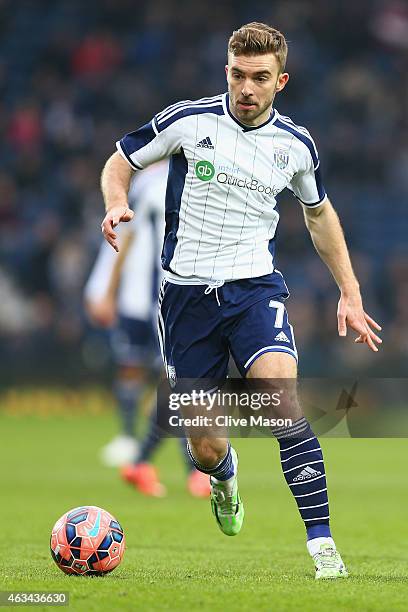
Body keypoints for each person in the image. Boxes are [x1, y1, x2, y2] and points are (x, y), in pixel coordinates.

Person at [100, 22, 382, 579]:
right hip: (185, 297)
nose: (246, 88)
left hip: (255, 289)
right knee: (204, 447)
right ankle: (224, 478)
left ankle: (323, 548)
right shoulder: (188, 120)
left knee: (281, 399)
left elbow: (319, 213)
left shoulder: (296, 146)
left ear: (281, 80)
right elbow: (121, 162)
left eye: (259, 77)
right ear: (225, 71)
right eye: (237, 74)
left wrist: (349, 291)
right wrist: (115, 203)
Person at [86, 161, 210, 497]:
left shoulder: (164, 179)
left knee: (174, 385)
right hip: (161, 300)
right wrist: (107, 291)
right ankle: (183, 469)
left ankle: (144, 462)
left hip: (157, 298)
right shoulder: (160, 182)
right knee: (178, 384)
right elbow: (123, 238)